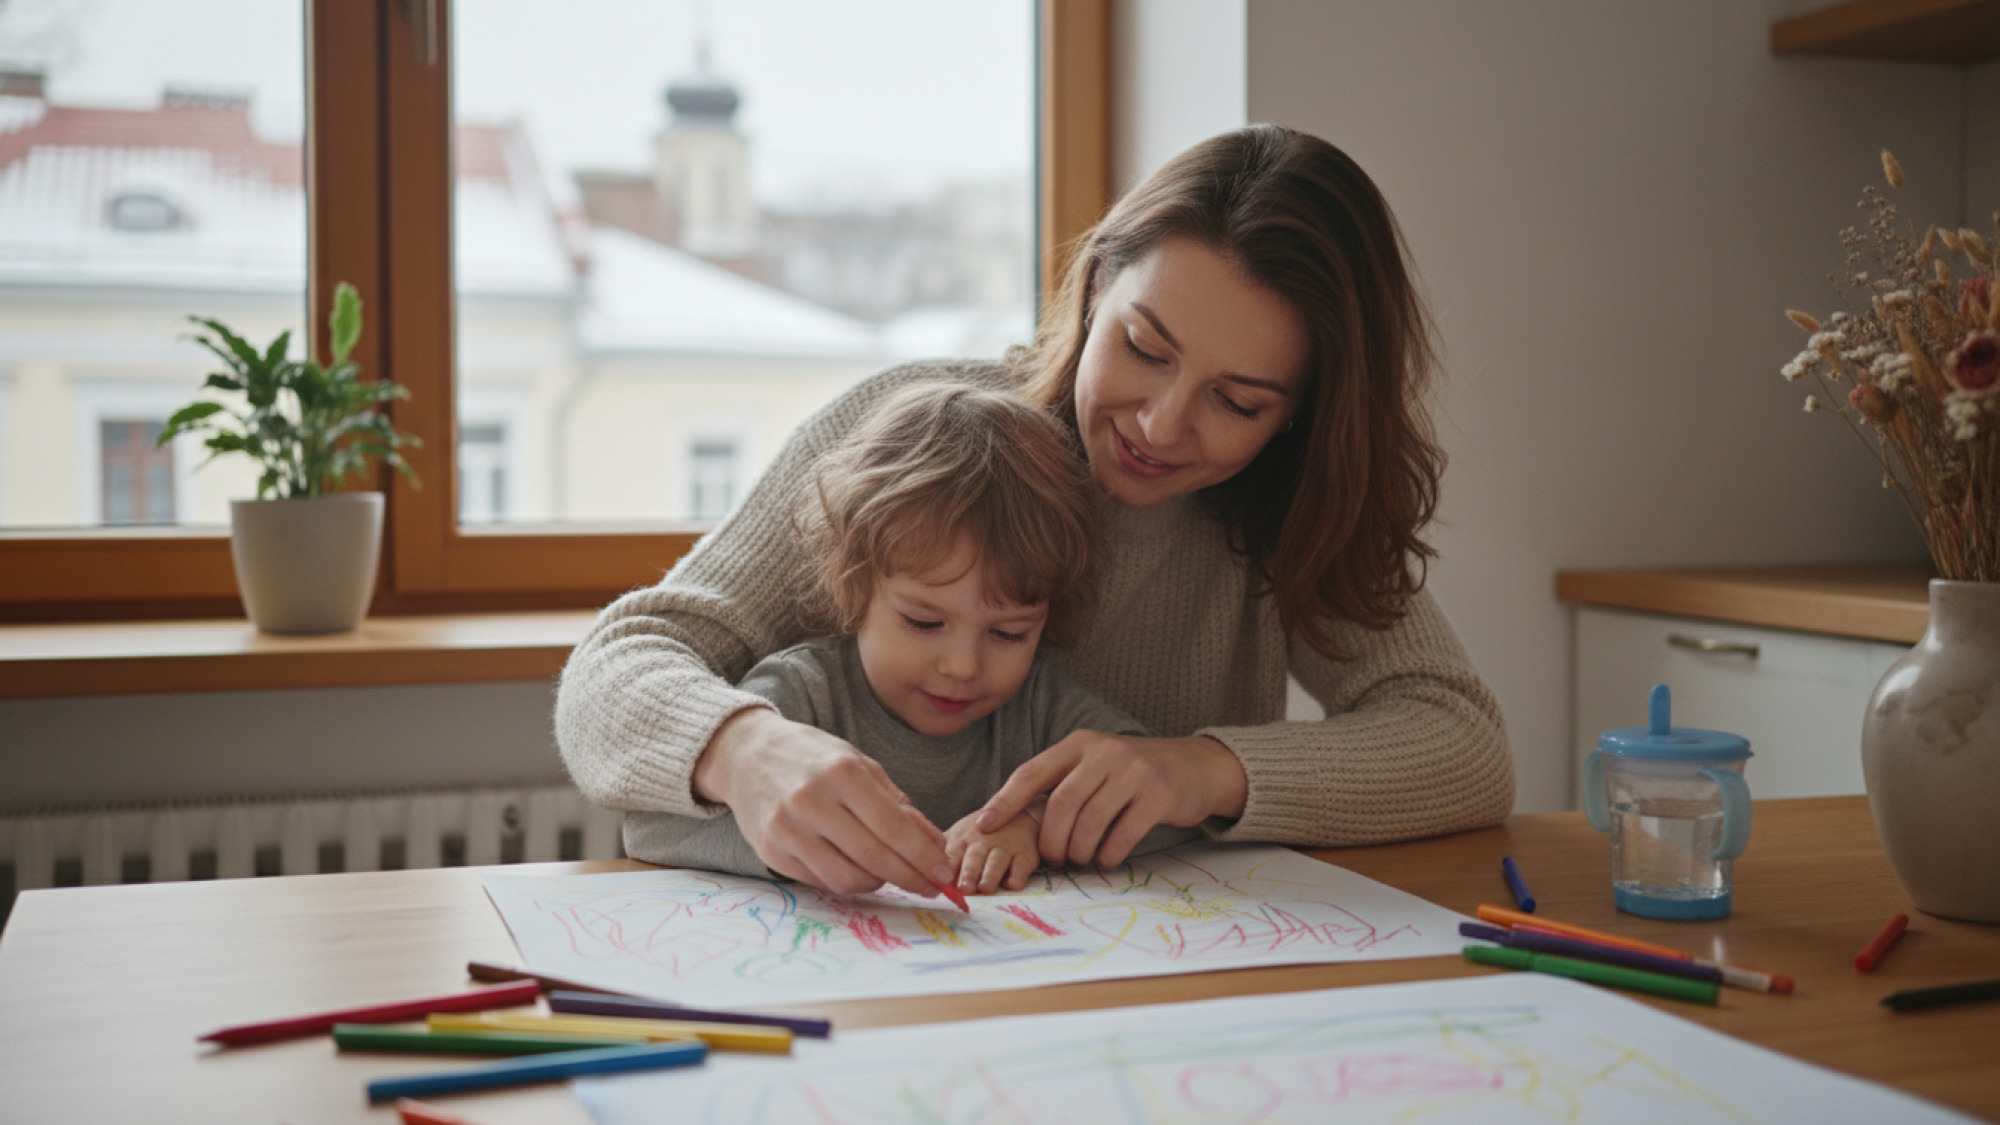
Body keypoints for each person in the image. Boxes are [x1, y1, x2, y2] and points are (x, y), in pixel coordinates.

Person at [556, 124, 1513, 903]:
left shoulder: (1283, 509)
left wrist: (1204, 770)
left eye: (1239, 402)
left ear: (1302, 413)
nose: (1159, 423)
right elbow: (620, 660)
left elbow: (1464, 745)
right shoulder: (919, 433)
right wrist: (743, 749)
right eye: (1144, 345)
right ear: (1097, 287)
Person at [620, 382, 1195, 893]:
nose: (964, 666)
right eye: (924, 622)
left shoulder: (1039, 712)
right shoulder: (801, 697)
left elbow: (1157, 800)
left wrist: (1037, 822)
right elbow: (648, 827)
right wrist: (791, 846)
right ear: (856, 586)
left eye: (1009, 633)